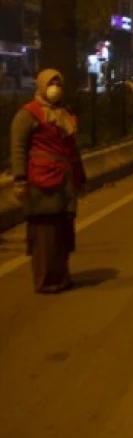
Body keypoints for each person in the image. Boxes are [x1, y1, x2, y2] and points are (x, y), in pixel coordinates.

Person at [9, 68, 86, 293]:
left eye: (59, 83)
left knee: (62, 233)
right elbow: (18, 148)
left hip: (64, 182)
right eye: (51, 83)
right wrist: (20, 179)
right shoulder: (28, 114)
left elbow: (73, 150)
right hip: (41, 181)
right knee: (45, 235)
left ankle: (62, 277)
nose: (55, 88)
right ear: (41, 85)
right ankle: (46, 280)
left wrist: (80, 179)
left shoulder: (64, 114)